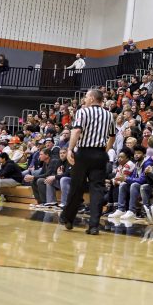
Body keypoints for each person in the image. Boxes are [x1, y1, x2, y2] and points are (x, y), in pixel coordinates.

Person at [59, 89, 116, 235]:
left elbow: (76, 131)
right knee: (97, 189)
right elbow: (112, 136)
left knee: (76, 186)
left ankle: (68, 219)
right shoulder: (109, 114)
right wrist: (104, 150)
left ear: (91, 98)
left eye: (86, 97)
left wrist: (70, 149)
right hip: (100, 153)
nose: (84, 99)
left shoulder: (82, 112)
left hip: (84, 152)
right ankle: (94, 226)